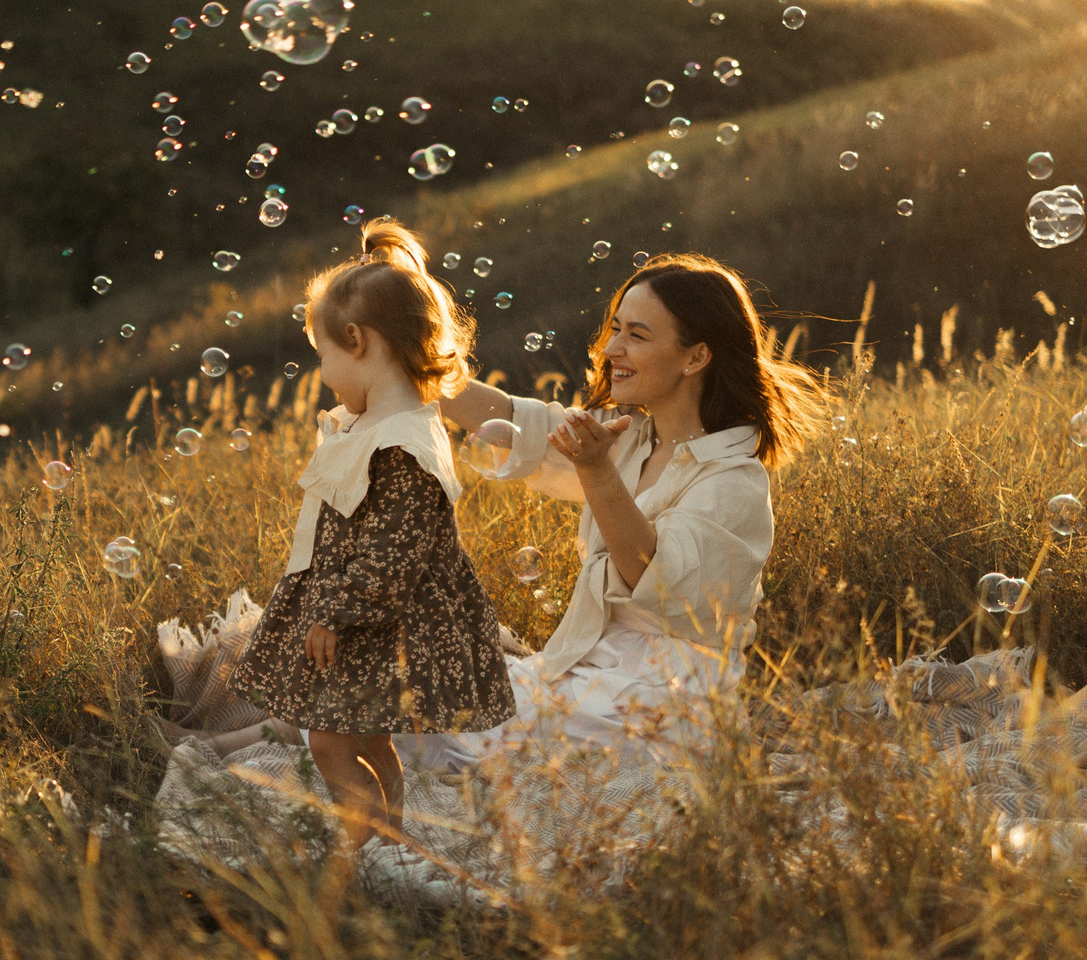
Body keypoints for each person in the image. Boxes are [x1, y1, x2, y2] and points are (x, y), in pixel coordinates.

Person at [398, 251, 821, 776]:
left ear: (695, 357)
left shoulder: (733, 479)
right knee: (398, 691)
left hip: (662, 705)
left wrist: (596, 471)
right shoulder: (632, 435)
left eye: (636, 335)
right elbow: (518, 422)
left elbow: (656, 580)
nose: (611, 349)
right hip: (586, 671)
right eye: (615, 328)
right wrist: (417, 371)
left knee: (415, 716)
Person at [221, 220, 517, 849]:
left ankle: (364, 843)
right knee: (366, 735)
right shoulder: (380, 424)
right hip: (369, 615)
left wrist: (334, 612)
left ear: (356, 341)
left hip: (374, 618)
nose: (324, 374)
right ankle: (392, 837)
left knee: (330, 741)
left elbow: (392, 554)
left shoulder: (402, 443)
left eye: (323, 356)